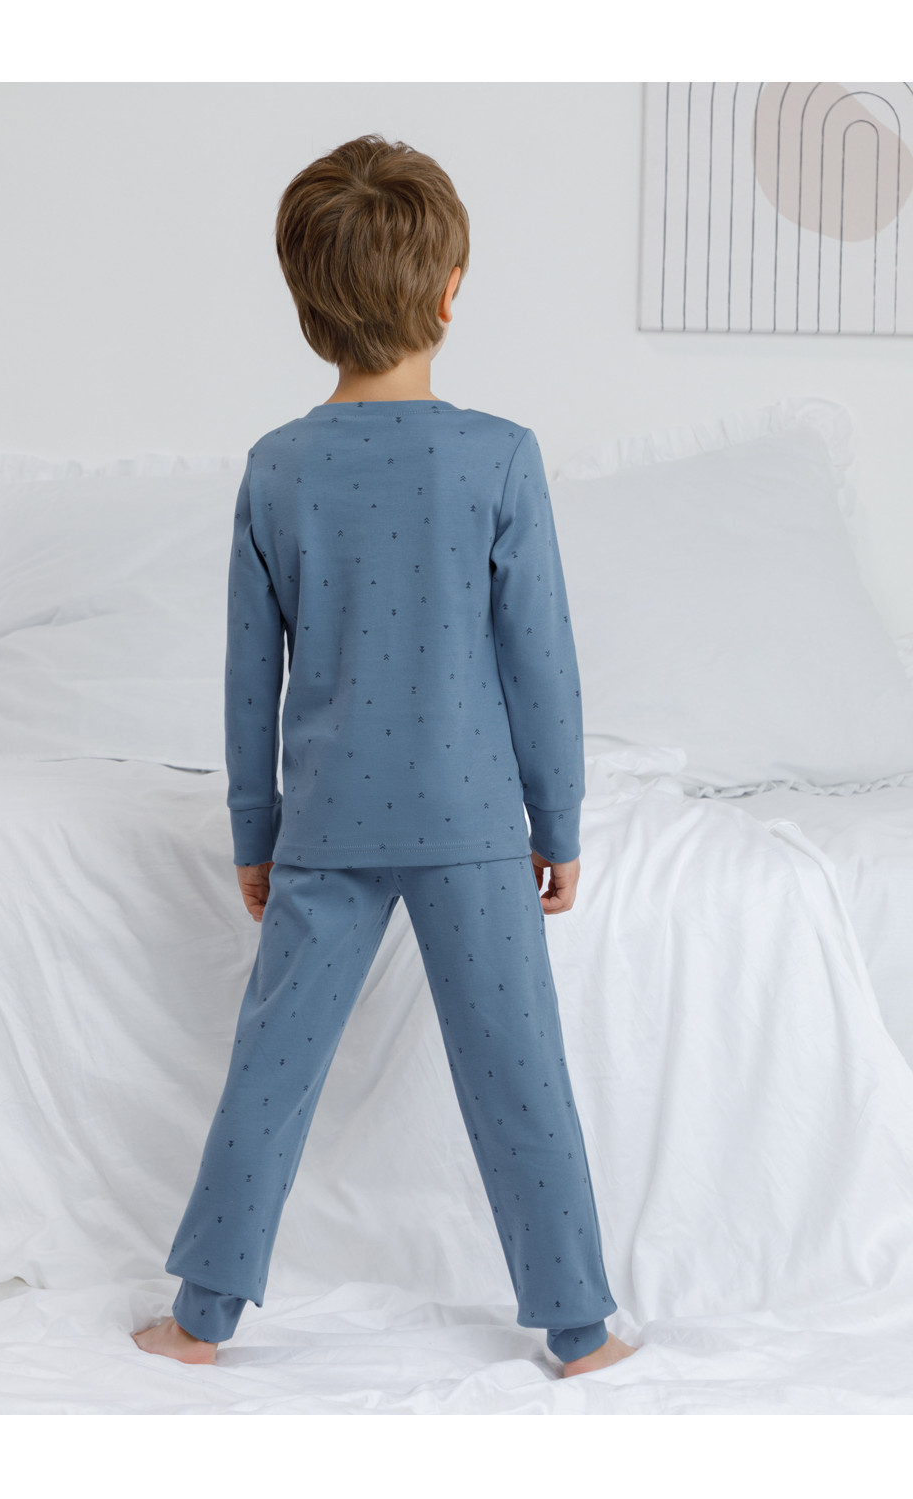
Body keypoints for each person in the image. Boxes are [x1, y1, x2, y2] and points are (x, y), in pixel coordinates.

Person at [133, 134, 638, 1378]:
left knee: (273, 1069)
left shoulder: (277, 468)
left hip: (328, 826)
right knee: (519, 1073)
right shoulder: (500, 457)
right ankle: (580, 1329)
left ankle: (199, 1319)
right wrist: (557, 824)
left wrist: (254, 833)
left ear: (306, 303)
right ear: (450, 291)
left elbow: (249, 680)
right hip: (473, 825)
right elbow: (542, 665)